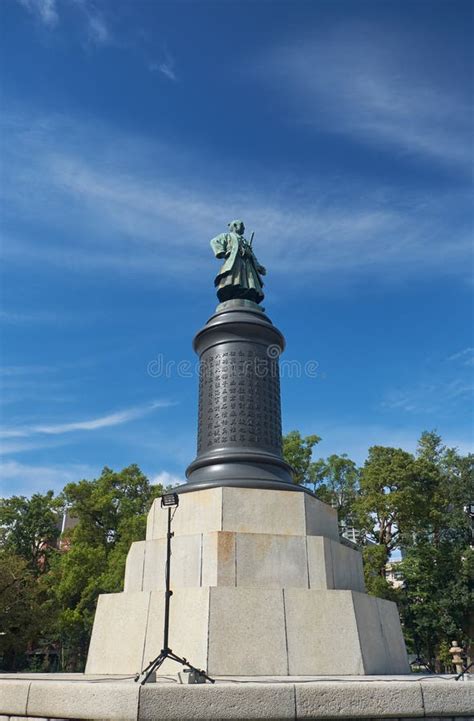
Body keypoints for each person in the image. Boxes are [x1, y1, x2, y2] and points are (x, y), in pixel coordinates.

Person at [210, 220, 266, 304]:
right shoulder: (227, 236)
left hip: (247, 265)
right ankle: (234, 293)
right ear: (235, 226)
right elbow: (214, 241)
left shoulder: (245, 241)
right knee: (234, 279)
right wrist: (222, 252)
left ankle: (248, 295)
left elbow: (253, 257)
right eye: (242, 226)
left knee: (250, 282)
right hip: (235, 263)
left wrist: (258, 267)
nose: (244, 228)